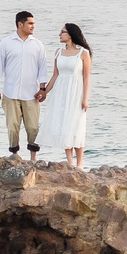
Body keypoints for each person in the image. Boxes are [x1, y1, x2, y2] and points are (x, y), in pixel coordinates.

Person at [0, 10, 51, 160]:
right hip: (10, 92)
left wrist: (42, 89)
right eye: (30, 23)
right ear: (20, 24)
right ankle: (15, 156)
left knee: (33, 127)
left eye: (33, 24)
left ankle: (33, 158)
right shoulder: (6, 43)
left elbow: (42, 69)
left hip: (31, 93)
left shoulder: (38, 45)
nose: (33, 26)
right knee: (12, 126)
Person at [37, 23, 92, 169]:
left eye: (62, 32)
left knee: (76, 125)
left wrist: (85, 98)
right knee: (64, 125)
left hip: (76, 93)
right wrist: (44, 92)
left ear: (71, 34)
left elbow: (86, 78)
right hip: (61, 93)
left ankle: (80, 163)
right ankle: (70, 162)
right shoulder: (58, 52)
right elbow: (55, 76)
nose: (59, 35)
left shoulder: (83, 53)